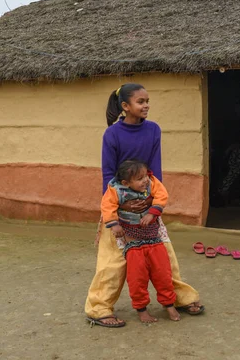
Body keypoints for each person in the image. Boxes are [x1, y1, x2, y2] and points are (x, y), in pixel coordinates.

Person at [85, 83, 203, 328]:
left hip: (147, 209)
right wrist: (115, 211)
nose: (146, 105)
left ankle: (180, 298)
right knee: (113, 262)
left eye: (148, 100)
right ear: (125, 106)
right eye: (140, 102)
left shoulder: (153, 130)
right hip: (118, 211)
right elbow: (108, 174)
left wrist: (153, 204)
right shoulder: (112, 134)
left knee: (164, 256)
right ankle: (99, 309)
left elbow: (154, 169)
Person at [102, 160, 180, 323]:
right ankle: (141, 310)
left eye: (145, 175)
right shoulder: (115, 189)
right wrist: (114, 224)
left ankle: (168, 304)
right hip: (133, 243)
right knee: (137, 278)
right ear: (126, 183)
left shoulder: (152, 183)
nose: (145, 180)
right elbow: (107, 206)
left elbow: (162, 195)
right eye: (140, 178)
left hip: (154, 239)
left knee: (163, 273)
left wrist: (152, 213)